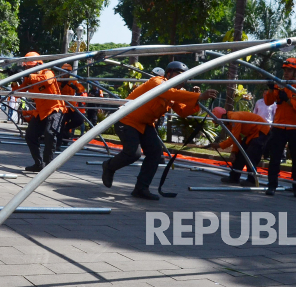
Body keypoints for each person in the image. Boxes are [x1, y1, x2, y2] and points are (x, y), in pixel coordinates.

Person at [102, 61, 218, 200]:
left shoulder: (174, 94)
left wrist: (196, 99)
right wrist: (197, 97)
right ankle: (109, 166)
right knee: (133, 153)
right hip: (127, 120)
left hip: (145, 125)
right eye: (179, 75)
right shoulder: (157, 81)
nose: (183, 80)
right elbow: (166, 91)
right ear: (168, 74)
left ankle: (141, 188)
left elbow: (183, 111)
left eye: (186, 78)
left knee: (155, 154)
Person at [13, 52, 66, 172]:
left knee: (50, 134)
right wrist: (14, 80)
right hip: (40, 111)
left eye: (29, 67)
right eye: (26, 67)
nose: (27, 69)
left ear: (38, 64)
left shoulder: (47, 73)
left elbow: (46, 81)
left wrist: (27, 75)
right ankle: (38, 163)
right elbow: (18, 92)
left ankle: (48, 165)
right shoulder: (28, 77)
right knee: (30, 135)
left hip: (55, 109)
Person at [264, 57, 296, 197]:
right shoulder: (279, 85)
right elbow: (267, 102)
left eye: (289, 70)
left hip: (295, 128)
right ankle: (272, 186)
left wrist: (288, 100)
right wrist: (271, 90)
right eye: (285, 70)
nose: (286, 73)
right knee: (275, 157)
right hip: (279, 127)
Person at [209, 107, 271, 185]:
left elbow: (233, 137)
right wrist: (234, 152)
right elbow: (237, 139)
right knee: (239, 154)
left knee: (251, 155)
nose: (220, 125)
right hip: (252, 134)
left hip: (261, 131)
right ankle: (234, 177)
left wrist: (219, 145)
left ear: (222, 117)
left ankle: (252, 180)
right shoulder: (228, 122)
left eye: (219, 122)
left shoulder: (234, 119)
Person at [58, 63, 86, 146]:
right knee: (60, 124)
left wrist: (76, 88)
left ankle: (66, 129)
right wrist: (62, 86)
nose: (65, 73)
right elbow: (55, 91)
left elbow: (81, 90)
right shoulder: (58, 81)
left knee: (79, 120)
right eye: (64, 71)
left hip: (71, 107)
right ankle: (58, 144)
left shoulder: (73, 81)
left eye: (67, 71)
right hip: (62, 106)